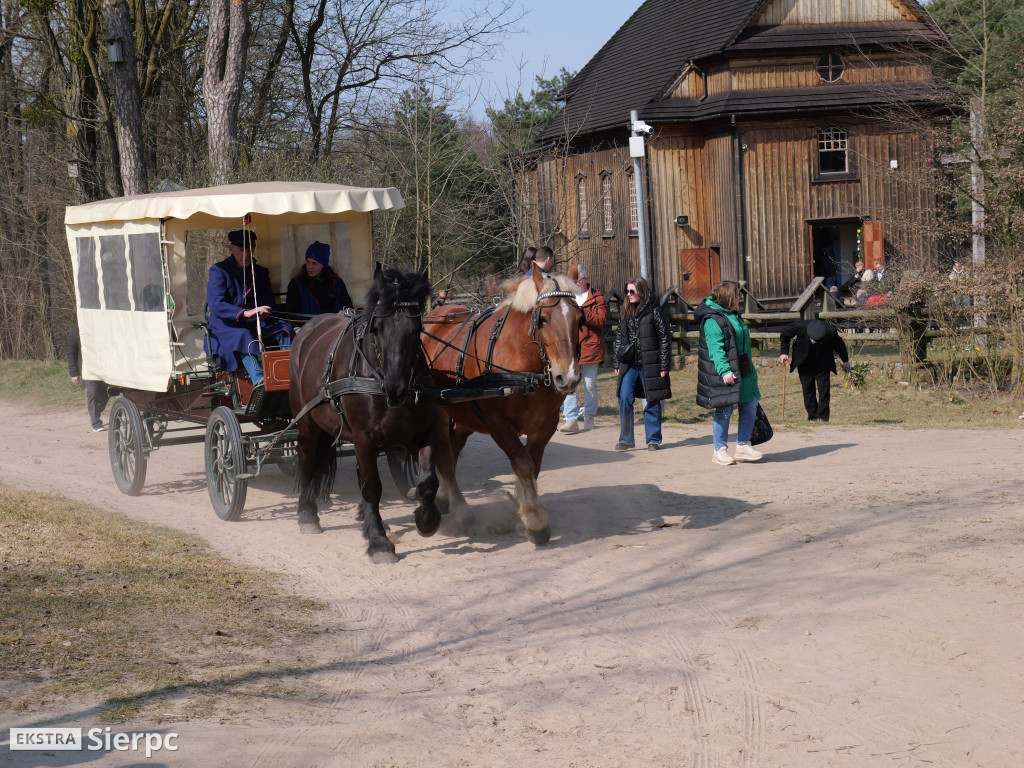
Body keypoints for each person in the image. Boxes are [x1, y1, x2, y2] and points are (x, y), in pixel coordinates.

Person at [205, 229, 293, 386]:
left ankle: (285, 373)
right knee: (243, 335)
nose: (245, 254)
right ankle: (259, 379)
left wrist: (265, 312)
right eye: (241, 249)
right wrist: (245, 313)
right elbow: (216, 305)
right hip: (225, 326)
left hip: (256, 323)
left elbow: (268, 302)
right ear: (231, 249)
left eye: (249, 249)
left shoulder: (260, 272)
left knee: (284, 329)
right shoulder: (219, 270)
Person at [694, 280, 762, 465]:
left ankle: (743, 445)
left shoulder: (733, 315)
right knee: (725, 409)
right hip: (723, 372)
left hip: (743, 370)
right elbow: (716, 349)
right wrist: (725, 371)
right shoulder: (712, 320)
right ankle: (719, 450)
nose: (739, 300)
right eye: (737, 296)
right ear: (727, 298)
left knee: (750, 404)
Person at [613, 276, 671, 451]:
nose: (629, 295)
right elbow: (619, 338)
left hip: (650, 363)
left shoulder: (655, 310)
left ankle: (653, 439)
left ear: (641, 291)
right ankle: (626, 439)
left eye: (632, 291)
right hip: (629, 364)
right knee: (624, 398)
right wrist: (617, 361)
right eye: (627, 291)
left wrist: (664, 365)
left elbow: (664, 338)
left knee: (652, 400)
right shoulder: (625, 310)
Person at [560, 265, 608, 433]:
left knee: (590, 385)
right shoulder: (567, 297)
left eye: (577, 281)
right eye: (571, 282)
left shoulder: (597, 297)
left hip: (590, 347)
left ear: (585, 279)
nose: (574, 284)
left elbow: (601, 320)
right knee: (570, 383)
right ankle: (571, 420)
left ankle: (589, 417)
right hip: (571, 348)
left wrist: (583, 313)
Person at [779, 319, 850, 423]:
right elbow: (785, 333)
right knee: (807, 388)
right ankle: (812, 416)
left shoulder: (830, 331)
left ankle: (823, 417)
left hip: (823, 361)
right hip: (803, 360)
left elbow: (839, 345)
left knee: (824, 389)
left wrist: (845, 360)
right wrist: (784, 352)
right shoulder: (800, 326)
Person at [284, 241, 353, 315]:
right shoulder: (296, 284)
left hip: (336, 325)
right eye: (308, 262)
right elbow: (291, 314)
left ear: (323, 264)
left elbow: (349, 309)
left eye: (315, 263)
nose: (310, 267)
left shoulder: (337, 283)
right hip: (306, 325)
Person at [67, 322, 110, 432]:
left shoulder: (98, 327)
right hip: (87, 367)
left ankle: (95, 410)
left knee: (107, 393)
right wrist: (74, 373)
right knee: (93, 391)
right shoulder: (74, 331)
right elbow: (71, 353)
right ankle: (95, 422)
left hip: (102, 366)